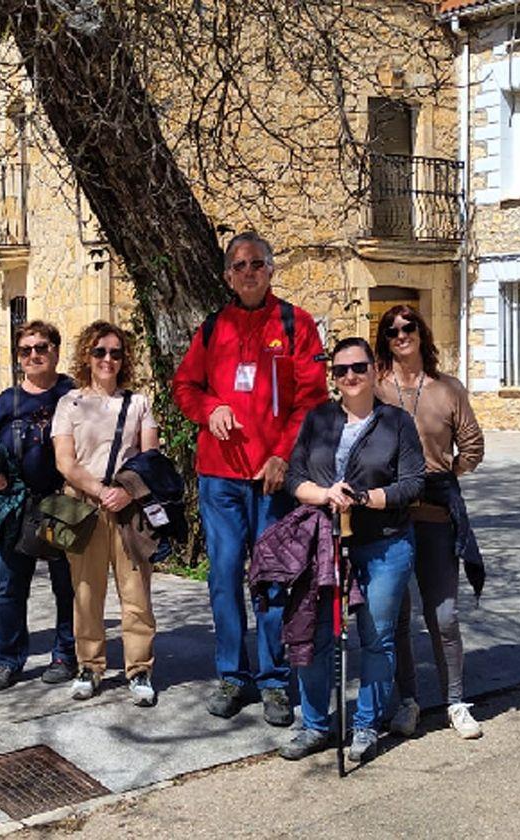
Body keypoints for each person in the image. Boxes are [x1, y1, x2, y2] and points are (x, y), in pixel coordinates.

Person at [171, 231, 328, 726]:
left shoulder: (295, 324)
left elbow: (311, 401)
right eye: (238, 266)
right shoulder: (213, 327)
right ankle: (232, 675)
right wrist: (210, 406)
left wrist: (283, 455)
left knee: (273, 581)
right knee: (222, 578)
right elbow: (184, 386)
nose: (248, 273)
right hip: (219, 479)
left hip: (272, 479)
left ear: (271, 269)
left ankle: (276, 681)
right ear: (227, 276)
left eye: (256, 264)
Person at [280, 337, 425, 763]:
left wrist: (364, 498)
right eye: (340, 370)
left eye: (358, 367)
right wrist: (326, 494)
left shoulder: (397, 422)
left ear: (374, 369)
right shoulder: (319, 419)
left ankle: (365, 725)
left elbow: (413, 483)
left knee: (376, 637)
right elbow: (294, 478)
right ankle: (314, 725)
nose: (349, 377)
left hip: (385, 543)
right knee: (317, 633)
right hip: (325, 545)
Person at [374, 305, 486, 740]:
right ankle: (408, 701)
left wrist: (442, 476)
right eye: (392, 330)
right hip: (391, 518)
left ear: (422, 333)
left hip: (436, 516)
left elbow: (473, 447)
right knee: (397, 616)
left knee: (444, 616)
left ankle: (456, 701)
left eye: (409, 327)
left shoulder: (447, 389)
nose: (402, 335)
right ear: (385, 339)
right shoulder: (378, 388)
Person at [52, 321, 160, 706]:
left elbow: (148, 459)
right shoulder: (70, 403)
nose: (107, 359)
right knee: (85, 591)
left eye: (115, 352)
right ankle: (90, 665)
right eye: (100, 352)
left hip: (128, 508)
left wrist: (126, 493)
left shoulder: (138, 403)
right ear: (87, 355)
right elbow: (65, 461)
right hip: (83, 506)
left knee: (136, 592)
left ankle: (140, 668)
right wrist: (100, 491)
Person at [0, 320, 77, 691]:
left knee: (66, 586)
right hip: (16, 506)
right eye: (26, 350)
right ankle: (8, 660)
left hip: (62, 502)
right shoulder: (8, 401)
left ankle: (66, 653)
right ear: (18, 357)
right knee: (10, 587)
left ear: (55, 350)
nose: (34, 355)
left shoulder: (72, 394)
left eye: (42, 347)